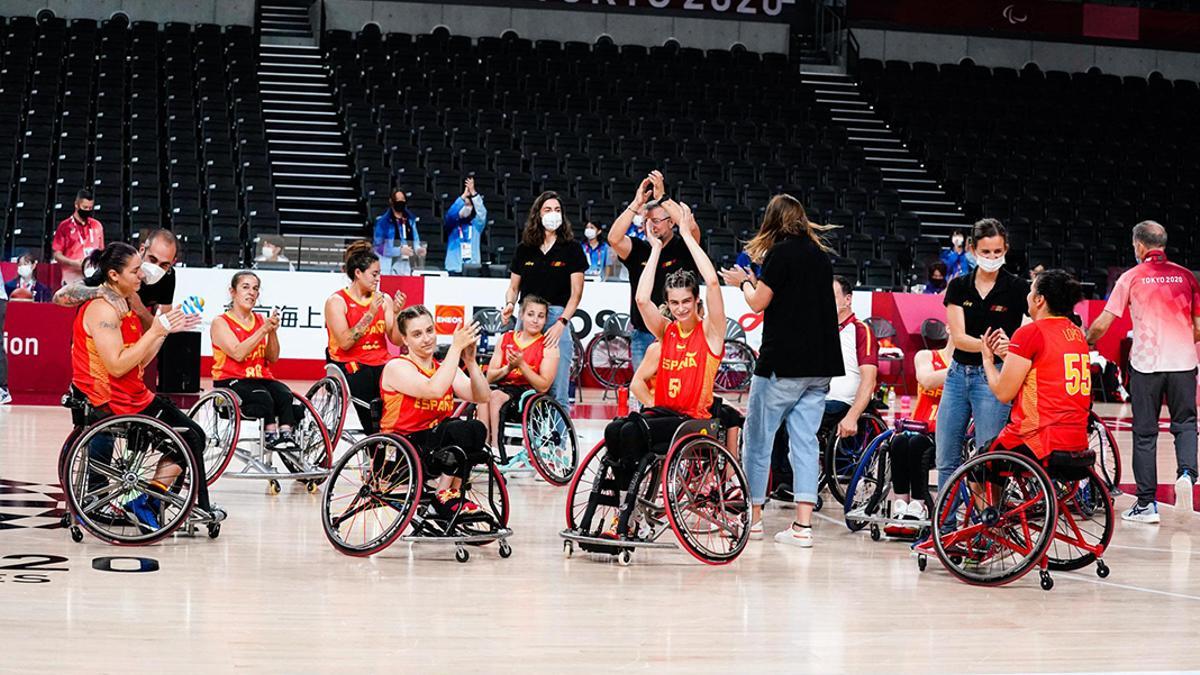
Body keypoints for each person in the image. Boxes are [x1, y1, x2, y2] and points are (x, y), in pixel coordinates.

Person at [719, 194, 843, 548]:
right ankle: (802, 527)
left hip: (783, 365)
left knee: (758, 441)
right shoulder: (819, 257)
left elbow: (758, 302)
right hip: (820, 368)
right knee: (804, 443)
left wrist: (743, 283)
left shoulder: (779, 253)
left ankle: (754, 519)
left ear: (772, 221)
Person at [69, 243, 216, 527]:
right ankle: (147, 501)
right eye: (136, 271)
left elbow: (138, 362)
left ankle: (149, 500)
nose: (142, 277)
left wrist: (162, 333)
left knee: (195, 434)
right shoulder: (103, 310)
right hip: (112, 400)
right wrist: (157, 329)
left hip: (132, 393)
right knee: (189, 439)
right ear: (113, 275)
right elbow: (117, 364)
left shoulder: (126, 305)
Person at [603, 204, 726, 537]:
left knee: (631, 432)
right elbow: (643, 301)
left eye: (687, 302)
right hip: (663, 414)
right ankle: (627, 509)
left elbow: (713, 282)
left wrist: (686, 235)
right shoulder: (667, 333)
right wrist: (655, 248)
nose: (681, 308)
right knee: (614, 431)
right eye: (674, 303)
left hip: (691, 420)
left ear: (696, 303)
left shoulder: (711, 333)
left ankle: (628, 515)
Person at [1086, 221, 1200, 523]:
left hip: (1147, 365)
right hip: (1183, 364)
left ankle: (1146, 505)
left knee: (1145, 433)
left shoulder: (1132, 277)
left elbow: (1104, 322)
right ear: (1163, 243)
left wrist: (1083, 341)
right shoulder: (1187, 277)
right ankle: (1187, 474)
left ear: (1139, 246)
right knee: (1186, 424)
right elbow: (1199, 328)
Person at [935, 218, 1029, 491]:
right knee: (946, 459)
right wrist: (993, 346)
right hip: (956, 376)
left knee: (990, 460)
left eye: (997, 252)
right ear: (973, 250)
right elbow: (960, 338)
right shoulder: (958, 287)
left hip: (995, 378)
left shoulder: (1018, 288)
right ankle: (946, 527)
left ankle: (988, 529)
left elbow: (1036, 329)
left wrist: (1012, 347)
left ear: (1006, 250)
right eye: (986, 252)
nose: (991, 258)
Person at [379, 306, 491, 514]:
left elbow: (483, 396)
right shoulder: (397, 367)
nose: (426, 338)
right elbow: (434, 390)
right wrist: (455, 349)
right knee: (458, 430)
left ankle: (452, 495)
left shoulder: (443, 368)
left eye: (430, 331)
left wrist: (471, 362)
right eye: (417, 334)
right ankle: (441, 498)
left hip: (433, 445)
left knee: (476, 428)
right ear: (405, 340)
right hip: (403, 447)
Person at [980, 269, 1091, 462]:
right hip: (1077, 438)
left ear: (1039, 299)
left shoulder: (1030, 332)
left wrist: (987, 360)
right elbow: (1045, 375)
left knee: (980, 465)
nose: (1028, 296)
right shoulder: (1076, 333)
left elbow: (1003, 393)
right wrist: (1010, 355)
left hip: (1039, 439)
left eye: (1031, 290)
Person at [500, 191, 588, 408]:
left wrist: (562, 323)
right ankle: (527, 439)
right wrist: (510, 304)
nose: (553, 214)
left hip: (557, 318)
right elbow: (513, 288)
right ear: (538, 214)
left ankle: (557, 441)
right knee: (523, 383)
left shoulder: (572, 249)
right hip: (526, 317)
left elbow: (576, 295)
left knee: (558, 389)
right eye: (548, 210)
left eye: (557, 210)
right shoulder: (524, 249)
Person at [607, 171, 701, 373]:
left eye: (657, 221)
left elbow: (691, 228)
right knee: (645, 396)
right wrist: (636, 202)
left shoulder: (683, 246)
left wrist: (663, 198)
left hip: (680, 331)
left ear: (671, 222)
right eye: (647, 221)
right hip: (643, 334)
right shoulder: (639, 248)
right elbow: (614, 238)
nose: (652, 226)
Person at [324, 240, 407, 434]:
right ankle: (376, 442)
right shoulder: (336, 301)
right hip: (350, 363)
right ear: (358, 273)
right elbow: (345, 343)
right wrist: (369, 314)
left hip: (381, 361)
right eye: (374, 274)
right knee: (373, 397)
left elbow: (395, 340)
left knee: (406, 378)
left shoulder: (384, 299)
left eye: (379, 274)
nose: (377, 279)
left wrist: (396, 312)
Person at [211, 271, 298, 449]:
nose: (251, 292)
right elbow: (237, 353)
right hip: (230, 380)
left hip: (259, 378)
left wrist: (272, 332)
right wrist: (264, 330)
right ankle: (270, 436)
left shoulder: (260, 320)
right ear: (233, 292)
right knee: (262, 397)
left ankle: (287, 435)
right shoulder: (221, 322)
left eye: (255, 289)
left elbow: (272, 358)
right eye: (245, 287)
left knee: (284, 394)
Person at [884, 334, 952, 535]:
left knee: (917, 445)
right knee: (898, 443)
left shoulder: (971, 367)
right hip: (918, 424)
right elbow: (927, 380)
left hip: (942, 431)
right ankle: (901, 505)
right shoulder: (926, 356)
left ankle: (918, 505)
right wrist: (961, 370)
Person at [52, 229, 180, 332]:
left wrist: (141, 310)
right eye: (152, 259)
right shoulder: (119, 263)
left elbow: (159, 331)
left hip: (130, 341)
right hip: (96, 338)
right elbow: (59, 297)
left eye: (164, 265)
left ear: (172, 263)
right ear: (142, 250)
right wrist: (102, 292)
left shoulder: (168, 276)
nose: (155, 268)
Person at [479, 295, 560, 451]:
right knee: (482, 394)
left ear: (545, 320)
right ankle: (484, 445)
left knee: (495, 396)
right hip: (503, 388)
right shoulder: (505, 338)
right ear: (521, 315)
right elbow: (490, 376)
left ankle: (496, 447)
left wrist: (522, 365)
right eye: (530, 314)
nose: (535, 320)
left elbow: (543, 386)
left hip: (527, 393)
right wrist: (508, 368)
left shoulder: (549, 346)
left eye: (540, 316)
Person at [826, 275, 879, 437]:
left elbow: (869, 381)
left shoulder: (861, 330)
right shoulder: (819, 331)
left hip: (842, 403)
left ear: (847, 299)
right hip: (816, 398)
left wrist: (852, 416)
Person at [51, 189, 104, 285]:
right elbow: (57, 255)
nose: (87, 210)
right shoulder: (64, 226)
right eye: (85, 207)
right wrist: (73, 263)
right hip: (72, 279)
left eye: (90, 208)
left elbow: (101, 251)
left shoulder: (97, 225)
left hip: (93, 278)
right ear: (76, 205)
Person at [372, 188, 426, 276]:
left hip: (406, 265)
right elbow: (378, 248)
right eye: (398, 200)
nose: (401, 202)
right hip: (387, 267)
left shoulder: (411, 220)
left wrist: (418, 249)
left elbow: (416, 241)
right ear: (392, 201)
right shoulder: (383, 222)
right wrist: (399, 250)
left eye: (403, 200)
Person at [443, 177, 487, 275]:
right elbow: (450, 215)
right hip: (454, 270)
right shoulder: (452, 226)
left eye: (469, 205)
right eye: (464, 205)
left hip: (473, 270)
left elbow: (482, 213)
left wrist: (474, 193)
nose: (466, 207)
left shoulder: (476, 226)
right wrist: (463, 197)